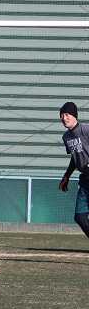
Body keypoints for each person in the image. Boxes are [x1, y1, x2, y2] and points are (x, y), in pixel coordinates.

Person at [58, 101, 89, 239]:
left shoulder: (85, 130)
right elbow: (74, 157)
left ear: (74, 115)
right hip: (85, 180)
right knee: (80, 216)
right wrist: (66, 176)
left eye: (67, 114)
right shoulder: (66, 137)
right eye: (61, 115)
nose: (64, 118)